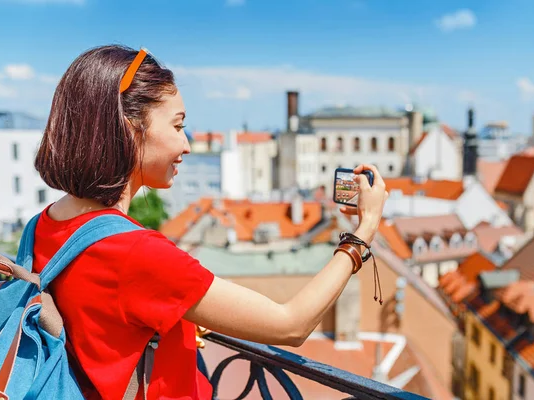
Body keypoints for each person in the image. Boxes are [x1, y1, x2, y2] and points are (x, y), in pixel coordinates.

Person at [32, 45, 388, 400]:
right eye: (178, 126)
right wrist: (364, 231)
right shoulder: (134, 251)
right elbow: (291, 324)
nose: (186, 145)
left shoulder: (44, 223)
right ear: (130, 129)